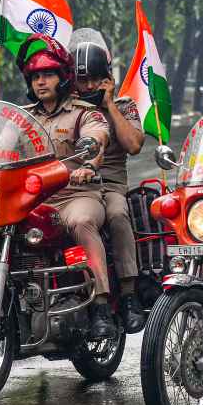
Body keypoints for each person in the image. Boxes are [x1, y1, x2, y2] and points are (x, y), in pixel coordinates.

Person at [16, 34, 118, 340]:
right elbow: (0, 148)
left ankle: (101, 305)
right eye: (35, 76)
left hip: (77, 195)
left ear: (63, 78)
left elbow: (97, 137)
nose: (41, 82)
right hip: (34, 200)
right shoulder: (22, 118)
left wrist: (87, 166)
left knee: (82, 222)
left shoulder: (83, 112)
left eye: (47, 75)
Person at [72, 36, 147, 333]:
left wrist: (109, 104)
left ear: (108, 79)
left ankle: (128, 295)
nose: (89, 86)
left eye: (95, 79)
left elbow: (134, 145)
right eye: (82, 80)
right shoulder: (68, 109)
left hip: (110, 184)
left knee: (117, 214)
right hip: (73, 188)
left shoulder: (124, 106)